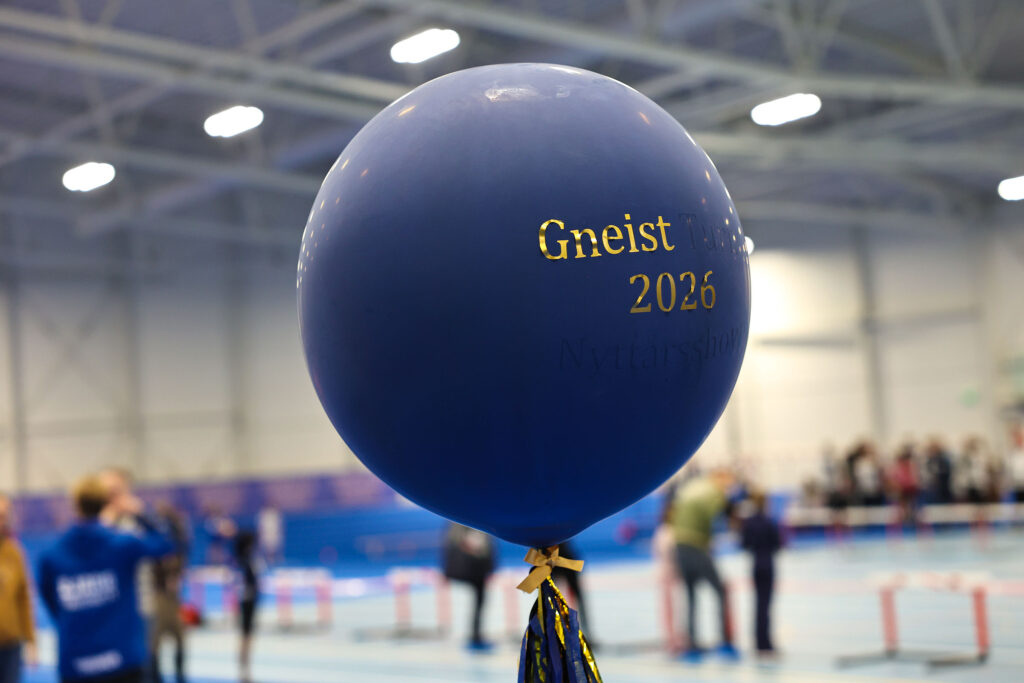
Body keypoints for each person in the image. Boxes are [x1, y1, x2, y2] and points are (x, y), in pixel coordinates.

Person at [37, 475, 172, 683]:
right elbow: (165, 542)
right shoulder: (123, 545)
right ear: (105, 504)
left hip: (76, 664)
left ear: (75, 505)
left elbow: (51, 600)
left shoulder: (52, 555)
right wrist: (141, 513)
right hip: (123, 661)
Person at [671, 468, 737, 662]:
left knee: (691, 594)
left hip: (679, 545)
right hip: (696, 545)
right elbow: (716, 516)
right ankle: (725, 642)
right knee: (721, 591)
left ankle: (691, 643)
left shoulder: (692, 487)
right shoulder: (714, 492)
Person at [98, 468, 158, 681]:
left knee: (143, 670)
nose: (111, 498)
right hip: (104, 615)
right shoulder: (95, 526)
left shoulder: (138, 525)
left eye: (115, 492)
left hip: (138, 612)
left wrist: (141, 514)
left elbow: (164, 544)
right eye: (106, 492)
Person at [150, 503, 189, 683]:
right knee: (155, 642)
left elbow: (182, 545)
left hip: (173, 600)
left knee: (180, 639)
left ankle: (180, 676)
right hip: (160, 598)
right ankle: (156, 677)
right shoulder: (155, 548)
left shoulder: (177, 547)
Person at [740, 490, 782, 657]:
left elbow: (744, 544)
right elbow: (778, 544)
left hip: (756, 565)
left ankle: (758, 643)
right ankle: (766, 645)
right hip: (768, 565)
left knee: (757, 605)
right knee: (766, 606)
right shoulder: (770, 522)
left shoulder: (749, 523)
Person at [441, 523, 496, 650]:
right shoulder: (459, 526)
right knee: (476, 602)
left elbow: (488, 549)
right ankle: (474, 636)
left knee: (479, 603)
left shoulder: (479, 526)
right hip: (469, 569)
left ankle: (475, 635)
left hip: (477, 570)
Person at [0, 494, 36, 683]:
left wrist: (31, 640)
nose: (2, 520)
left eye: (5, 515)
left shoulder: (15, 553)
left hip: (11, 645)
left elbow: (23, 598)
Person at [233, 531, 259, 683]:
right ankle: (244, 670)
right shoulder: (244, 560)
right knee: (245, 635)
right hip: (247, 601)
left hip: (249, 600)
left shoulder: (246, 559)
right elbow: (243, 582)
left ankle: (245, 670)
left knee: (247, 635)